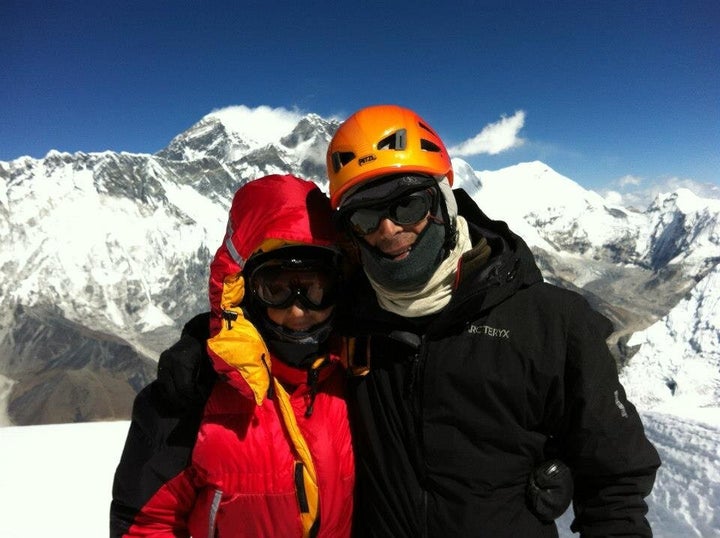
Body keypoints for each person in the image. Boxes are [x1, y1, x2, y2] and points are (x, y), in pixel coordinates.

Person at [155, 105, 661, 537]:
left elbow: (615, 479)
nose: (390, 229)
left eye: (408, 202)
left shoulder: (551, 323)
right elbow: (272, 323)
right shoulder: (348, 314)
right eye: (366, 217)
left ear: (444, 195)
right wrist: (204, 349)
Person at [110, 174, 354, 538]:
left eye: (315, 289)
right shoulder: (189, 397)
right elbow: (145, 525)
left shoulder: (360, 375)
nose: (298, 311)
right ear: (244, 291)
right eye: (277, 289)